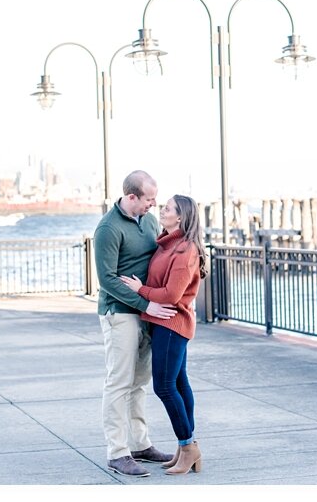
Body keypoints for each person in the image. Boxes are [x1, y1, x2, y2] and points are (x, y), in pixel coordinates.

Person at [94, 170, 178, 477]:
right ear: (132, 197)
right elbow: (106, 280)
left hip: (147, 311)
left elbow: (163, 255)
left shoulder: (150, 221)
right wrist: (146, 303)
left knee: (140, 382)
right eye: (149, 199)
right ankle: (118, 452)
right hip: (120, 313)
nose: (154, 204)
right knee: (119, 381)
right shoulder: (107, 228)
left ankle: (141, 444)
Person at [120, 194, 206, 475]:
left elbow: (171, 294)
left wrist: (140, 290)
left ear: (180, 217)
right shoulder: (168, 243)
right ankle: (186, 449)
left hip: (172, 324)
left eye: (168, 208)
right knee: (179, 384)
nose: (162, 209)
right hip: (167, 324)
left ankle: (189, 445)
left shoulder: (185, 250)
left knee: (165, 386)